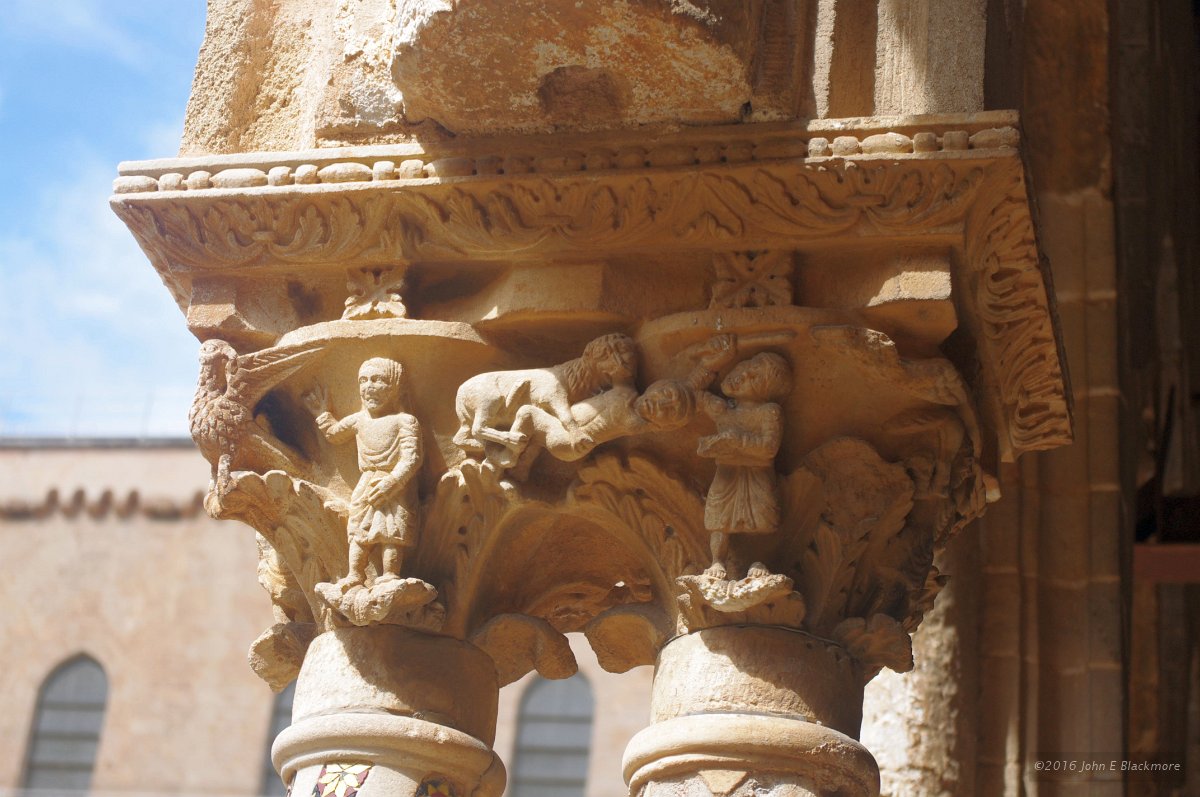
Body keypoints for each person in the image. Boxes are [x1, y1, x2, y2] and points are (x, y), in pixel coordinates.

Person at [304, 357, 422, 588]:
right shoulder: (359, 420)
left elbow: (412, 458)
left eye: (377, 380)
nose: (369, 387)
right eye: (363, 380)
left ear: (394, 386)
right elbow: (335, 434)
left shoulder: (405, 421)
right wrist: (322, 414)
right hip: (367, 483)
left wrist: (393, 482)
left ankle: (390, 573)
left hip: (394, 484)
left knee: (392, 531)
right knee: (358, 528)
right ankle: (356, 573)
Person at [695, 352, 792, 579]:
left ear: (766, 393)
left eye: (754, 378)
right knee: (718, 518)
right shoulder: (722, 409)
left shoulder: (768, 412)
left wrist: (738, 441)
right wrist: (709, 364)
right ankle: (717, 560)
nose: (744, 374)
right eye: (747, 365)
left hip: (757, 472)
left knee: (763, 519)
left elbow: (769, 448)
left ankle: (761, 561)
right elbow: (692, 394)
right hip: (726, 471)